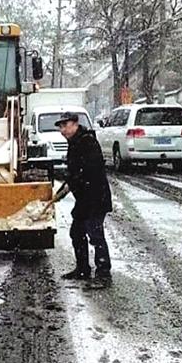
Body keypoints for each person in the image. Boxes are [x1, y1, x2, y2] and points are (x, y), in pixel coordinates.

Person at [52, 112, 113, 284]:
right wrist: (67, 184)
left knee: (95, 234)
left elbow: (89, 169)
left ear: (75, 124)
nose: (62, 130)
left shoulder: (87, 141)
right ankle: (82, 269)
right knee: (77, 232)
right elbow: (74, 171)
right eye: (60, 127)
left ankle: (103, 274)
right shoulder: (74, 142)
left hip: (95, 197)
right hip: (84, 199)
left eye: (65, 125)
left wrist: (73, 181)